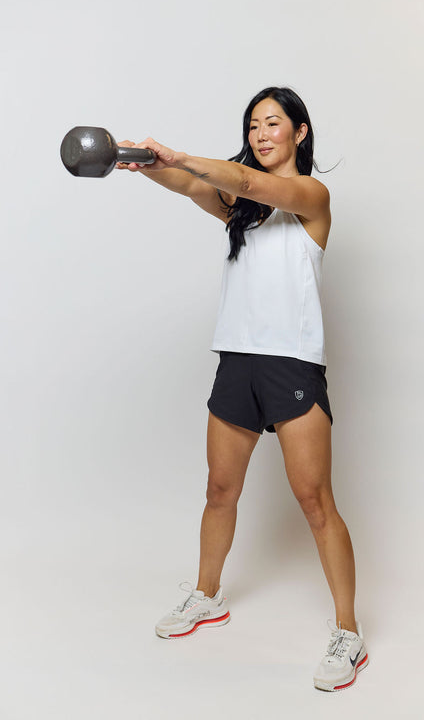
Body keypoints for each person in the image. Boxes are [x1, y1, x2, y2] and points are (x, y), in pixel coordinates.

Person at [117, 86, 368, 691]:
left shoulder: (311, 197)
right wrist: (144, 163)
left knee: (315, 501)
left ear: (299, 132)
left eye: (273, 123)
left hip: (291, 366)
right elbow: (191, 186)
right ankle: (207, 596)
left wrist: (179, 155)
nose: (260, 134)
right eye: (253, 125)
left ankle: (349, 631)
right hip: (237, 361)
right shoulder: (240, 209)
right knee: (220, 490)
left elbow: (251, 181)